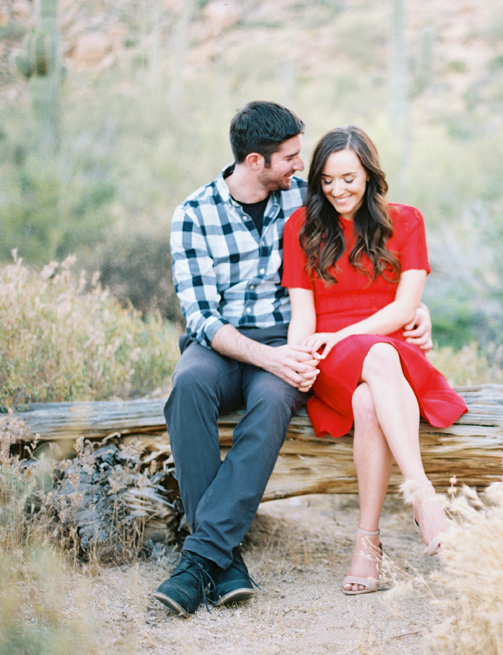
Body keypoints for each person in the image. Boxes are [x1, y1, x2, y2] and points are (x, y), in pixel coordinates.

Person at [152, 102, 434, 617]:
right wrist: (271, 357)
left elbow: (362, 256)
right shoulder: (194, 214)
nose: (301, 167)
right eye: (290, 158)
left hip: (289, 342)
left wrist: (417, 310)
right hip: (222, 344)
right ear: (255, 161)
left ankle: (199, 561)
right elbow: (201, 318)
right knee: (187, 387)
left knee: (272, 402)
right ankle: (217, 555)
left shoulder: (305, 203)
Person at [282, 125, 468, 595]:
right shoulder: (301, 226)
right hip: (332, 359)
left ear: (369, 174)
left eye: (348, 178)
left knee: (371, 397)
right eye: (327, 180)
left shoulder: (406, 221)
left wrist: (342, 335)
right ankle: (423, 497)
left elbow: (405, 309)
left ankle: (368, 542)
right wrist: (299, 356)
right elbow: (303, 315)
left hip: (388, 347)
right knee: (376, 361)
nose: (337, 190)